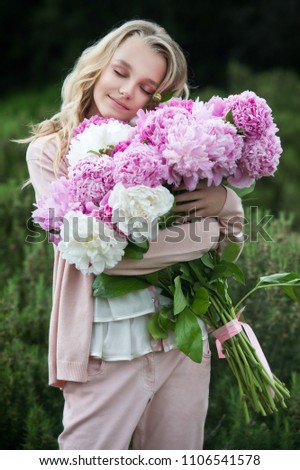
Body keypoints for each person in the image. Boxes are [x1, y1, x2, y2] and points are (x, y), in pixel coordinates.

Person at [25, 19, 244, 450]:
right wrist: (204, 232)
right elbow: (102, 255)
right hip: (106, 344)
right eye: (121, 73)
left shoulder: (172, 146)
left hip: (183, 335)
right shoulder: (53, 150)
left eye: (146, 87)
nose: (128, 92)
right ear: (98, 68)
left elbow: (229, 248)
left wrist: (226, 204)